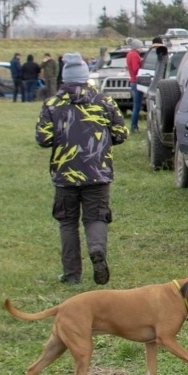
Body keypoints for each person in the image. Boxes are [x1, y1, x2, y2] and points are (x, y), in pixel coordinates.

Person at [36, 53, 128, 285]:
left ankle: (71, 274)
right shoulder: (104, 101)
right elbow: (121, 133)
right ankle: (97, 250)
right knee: (96, 218)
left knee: (67, 223)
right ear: (86, 77)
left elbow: (43, 139)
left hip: (65, 174)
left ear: (64, 78)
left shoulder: (51, 105)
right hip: (98, 173)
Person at [125, 43, 143, 132]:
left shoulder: (129, 54)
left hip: (132, 81)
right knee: (137, 106)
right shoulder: (135, 55)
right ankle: (133, 126)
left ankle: (134, 126)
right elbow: (136, 69)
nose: (141, 48)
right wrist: (142, 64)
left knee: (136, 105)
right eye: (140, 46)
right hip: (136, 81)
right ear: (137, 47)